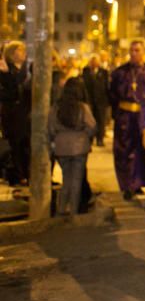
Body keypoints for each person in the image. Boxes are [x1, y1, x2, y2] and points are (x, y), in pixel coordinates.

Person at [109, 39, 145, 199]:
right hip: (125, 117)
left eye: (138, 50)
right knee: (123, 150)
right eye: (132, 50)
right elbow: (112, 95)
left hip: (142, 116)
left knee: (141, 151)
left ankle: (138, 183)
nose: (134, 53)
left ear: (144, 52)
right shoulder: (120, 72)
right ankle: (126, 185)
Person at [48, 77, 96, 216]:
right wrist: (84, 136)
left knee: (66, 178)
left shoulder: (56, 107)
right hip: (79, 147)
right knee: (76, 179)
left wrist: (56, 140)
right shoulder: (82, 107)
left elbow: (51, 128)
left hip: (62, 147)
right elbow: (92, 126)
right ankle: (73, 211)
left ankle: (61, 209)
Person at [0, 40, 30, 185]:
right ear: (12, 54)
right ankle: (17, 175)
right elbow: (10, 92)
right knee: (15, 145)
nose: (24, 53)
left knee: (24, 145)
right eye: (20, 50)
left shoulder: (24, 70)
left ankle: (24, 173)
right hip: (12, 115)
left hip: (23, 114)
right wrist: (6, 74)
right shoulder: (6, 69)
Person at [82, 56, 110, 146]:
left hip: (101, 101)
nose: (94, 63)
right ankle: (89, 140)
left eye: (96, 61)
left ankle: (100, 139)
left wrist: (107, 101)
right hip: (90, 101)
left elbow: (107, 86)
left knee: (101, 121)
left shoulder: (104, 72)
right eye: (93, 61)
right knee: (89, 121)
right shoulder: (86, 71)